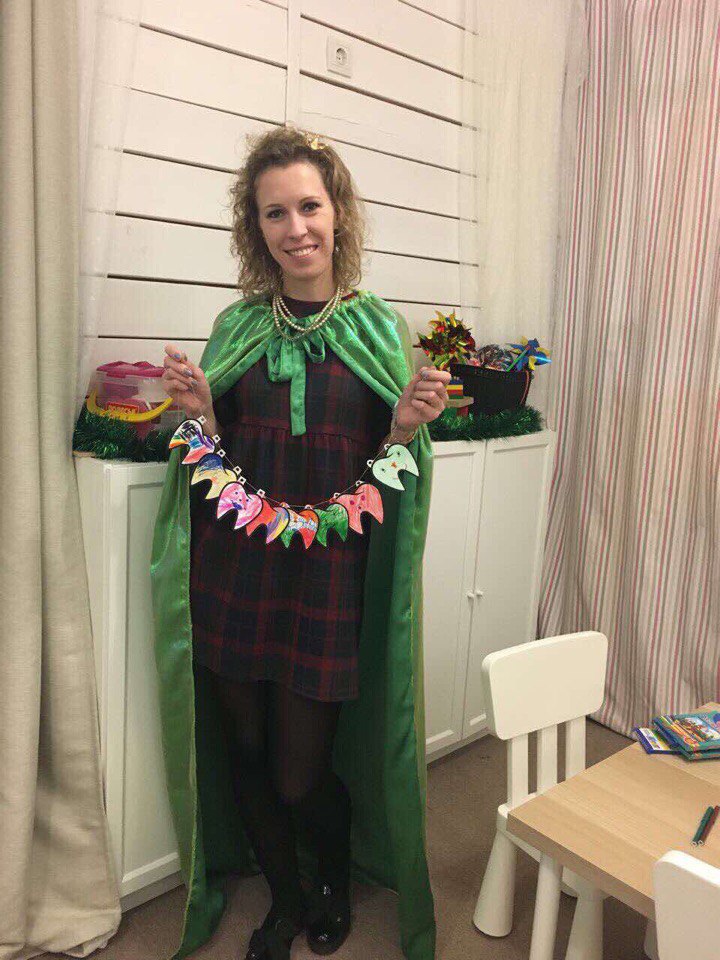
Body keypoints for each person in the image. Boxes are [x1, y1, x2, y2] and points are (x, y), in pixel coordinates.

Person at [151, 125, 449, 960]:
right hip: (234, 571)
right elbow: (214, 461)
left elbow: (389, 473)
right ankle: (284, 899)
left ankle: (332, 878)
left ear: (337, 212)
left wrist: (405, 426)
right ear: (256, 226)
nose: (296, 228)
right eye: (274, 212)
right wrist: (202, 413)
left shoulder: (378, 328)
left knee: (300, 770)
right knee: (246, 750)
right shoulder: (237, 324)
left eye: (309, 206)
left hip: (325, 580)